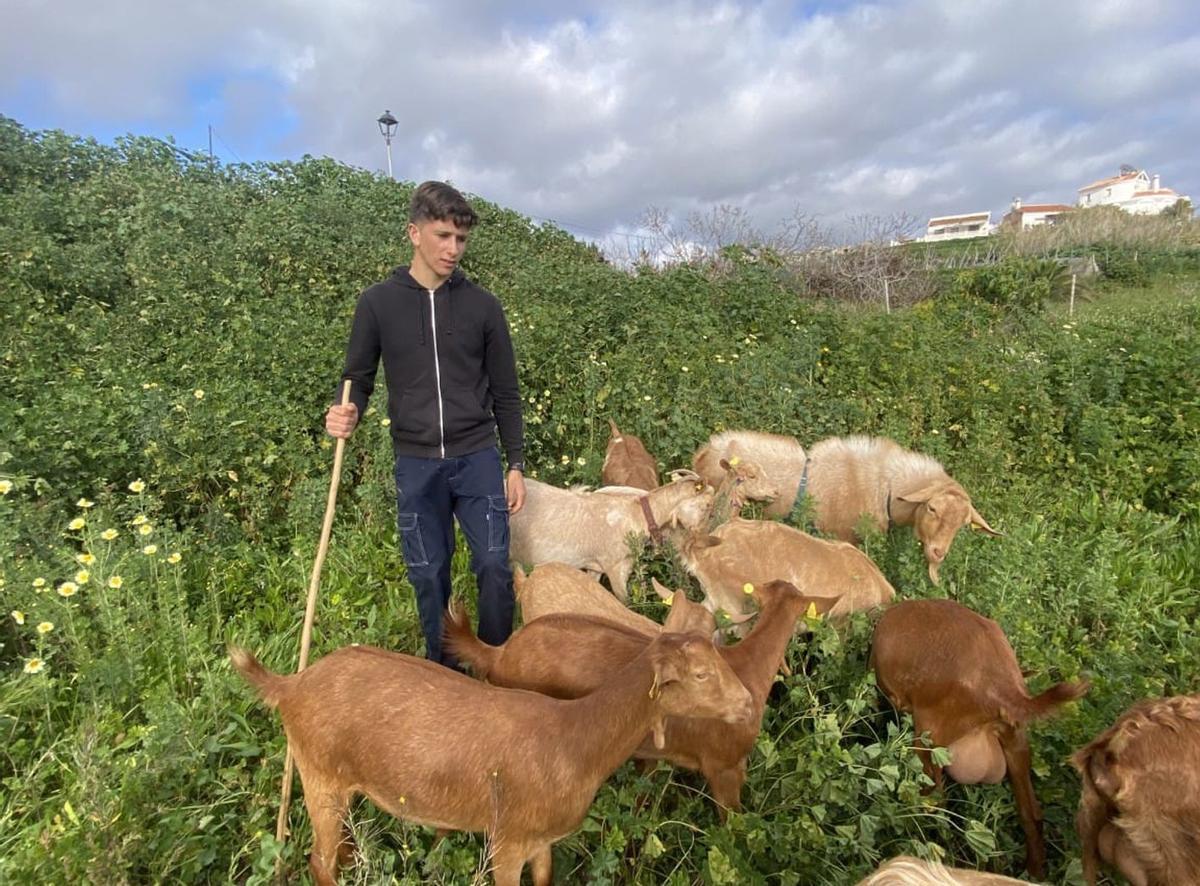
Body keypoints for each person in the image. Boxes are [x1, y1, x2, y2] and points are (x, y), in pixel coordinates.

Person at [325, 181, 526, 667]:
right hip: (416, 464)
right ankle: (444, 673)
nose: (453, 249)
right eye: (443, 236)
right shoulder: (377, 303)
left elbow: (506, 392)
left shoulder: (484, 307)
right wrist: (343, 409)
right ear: (414, 233)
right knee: (428, 571)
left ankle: (494, 665)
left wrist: (515, 463)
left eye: (461, 239)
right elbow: (358, 377)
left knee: (495, 565)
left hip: (477, 458)